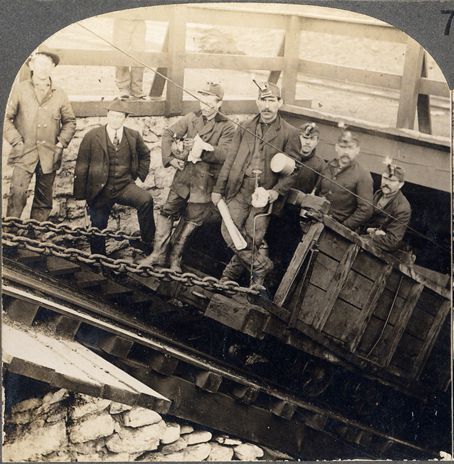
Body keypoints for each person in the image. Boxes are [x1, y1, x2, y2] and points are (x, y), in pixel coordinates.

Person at [211, 80, 300, 289]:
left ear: (280, 103)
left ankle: (234, 277)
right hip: (239, 190)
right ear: (257, 102)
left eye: (272, 101)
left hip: (263, 197)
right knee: (229, 231)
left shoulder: (290, 133)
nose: (267, 106)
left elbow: (294, 171)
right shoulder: (244, 127)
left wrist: (274, 193)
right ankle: (261, 266)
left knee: (253, 237)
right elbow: (230, 160)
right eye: (263, 100)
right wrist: (218, 190)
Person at [139, 83, 236, 271]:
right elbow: (168, 133)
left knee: (191, 222)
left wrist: (200, 149)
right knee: (167, 212)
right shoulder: (192, 118)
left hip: (204, 184)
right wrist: (171, 159)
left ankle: (175, 258)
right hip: (183, 179)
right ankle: (157, 255)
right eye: (202, 102)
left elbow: (225, 154)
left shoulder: (227, 126)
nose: (204, 107)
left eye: (209, 104)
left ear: (219, 103)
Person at [73, 99, 154, 255]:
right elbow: (81, 166)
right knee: (98, 224)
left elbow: (145, 155)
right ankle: (98, 258)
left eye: (119, 116)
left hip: (125, 186)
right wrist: (81, 196)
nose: (115, 119)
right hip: (100, 190)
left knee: (146, 200)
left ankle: (146, 242)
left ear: (125, 118)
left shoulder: (133, 136)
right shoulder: (92, 136)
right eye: (113, 116)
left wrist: (137, 175)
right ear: (107, 116)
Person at [4, 49, 76, 221]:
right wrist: (16, 142)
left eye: (48, 65)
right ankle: (10, 239)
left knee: (44, 201)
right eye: (40, 63)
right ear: (32, 65)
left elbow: (70, 122)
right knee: (17, 196)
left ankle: (36, 238)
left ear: (52, 68)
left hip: (49, 155)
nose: (44, 68)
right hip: (24, 153)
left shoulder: (60, 93)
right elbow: (5, 119)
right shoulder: (20, 90)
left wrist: (60, 144)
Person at [316, 128, 373, 231]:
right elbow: (317, 191)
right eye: (342, 147)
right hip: (316, 220)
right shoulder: (329, 166)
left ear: (357, 150)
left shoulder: (363, 174)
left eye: (350, 148)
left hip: (336, 232)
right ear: (336, 147)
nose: (346, 152)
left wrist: (343, 227)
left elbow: (366, 209)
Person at [363, 160, 411, 252]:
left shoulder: (403, 208)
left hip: (376, 251)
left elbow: (392, 241)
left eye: (392, 181)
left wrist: (371, 235)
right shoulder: (378, 193)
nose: (387, 183)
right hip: (366, 238)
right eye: (385, 178)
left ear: (401, 184)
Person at [111, 14, 147, 99]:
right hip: (122, 19)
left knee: (139, 53)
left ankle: (136, 88)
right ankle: (123, 88)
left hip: (139, 19)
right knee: (121, 52)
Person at [293, 122, 326, 193]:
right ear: (297, 138)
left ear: (317, 141)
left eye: (312, 139)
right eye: (305, 138)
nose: (308, 142)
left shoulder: (320, 165)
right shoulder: (287, 156)